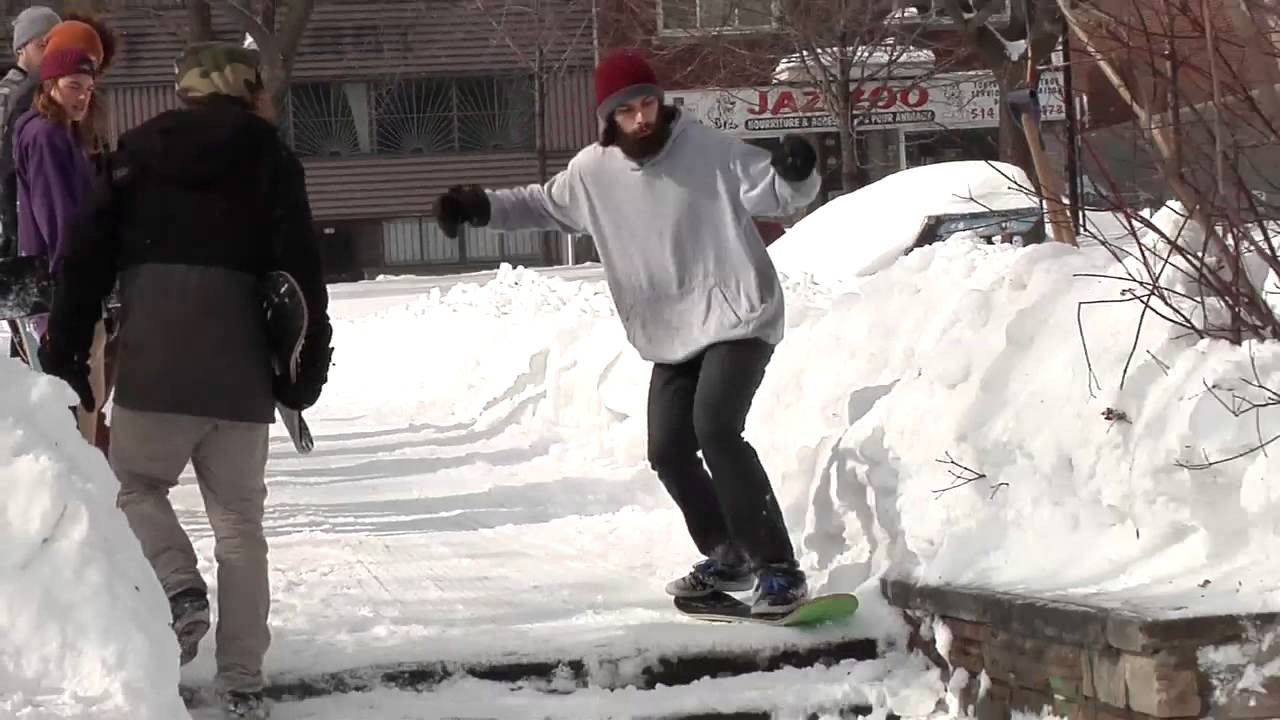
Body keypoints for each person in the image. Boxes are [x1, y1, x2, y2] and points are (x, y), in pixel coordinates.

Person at [434, 50, 820, 615]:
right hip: (669, 328)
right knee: (667, 449)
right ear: (607, 118)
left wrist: (797, 168)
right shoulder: (593, 173)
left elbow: (784, 195)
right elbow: (543, 204)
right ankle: (729, 553)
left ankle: (779, 570)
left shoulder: (708, 150)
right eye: (628, 111)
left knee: (715, 427)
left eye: (649, 104)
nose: (642, 119)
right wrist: (480, 207)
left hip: (738, 314)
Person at [41, 42, 332, 720]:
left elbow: (84, 260)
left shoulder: (136, 154)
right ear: (248, 89)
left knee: (132, 486)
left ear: (185, 91)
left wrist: (65, 360)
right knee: (240, 527)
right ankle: (243, 684)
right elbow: (303, 273)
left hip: (156, 361)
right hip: (239, 372)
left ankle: (178, 585)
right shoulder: (271, 158)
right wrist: (303, 374)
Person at [12, 45, 102, 447]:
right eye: (73, 86)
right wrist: (75, 288)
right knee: (81, 410)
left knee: (82, 408)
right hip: (64, 291)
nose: (83, 95)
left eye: (88, 87)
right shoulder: (47, 136)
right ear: (49, 86)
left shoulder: (55, 131)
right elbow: (59, 220)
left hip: (62, 289)